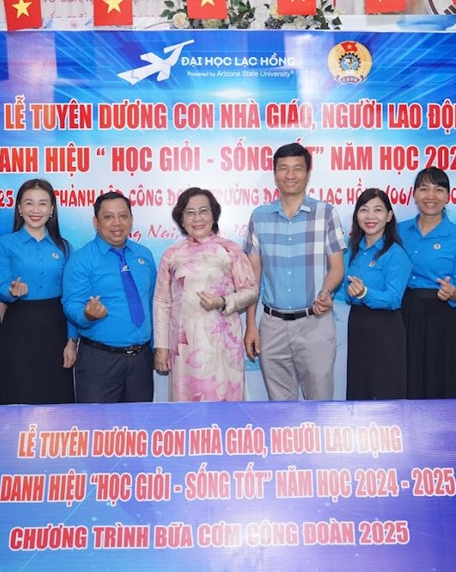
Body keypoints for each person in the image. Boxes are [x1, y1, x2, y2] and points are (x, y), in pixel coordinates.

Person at [243, 142, 346, 401]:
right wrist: (251, 326)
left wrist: (326, 292)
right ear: (274, 173)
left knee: (320, 404)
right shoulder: (259, 216)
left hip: (315, 322)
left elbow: (337, 267)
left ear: (308, 173)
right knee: (279, 409)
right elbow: (251, 279)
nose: (290, 175)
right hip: (272, 326)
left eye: (297, 168)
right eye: (283, 168)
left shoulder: (326, 213)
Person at [153, 188, 258, 401]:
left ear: (213, 215)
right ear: (181, 219)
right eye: (190, 213)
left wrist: (223, 301)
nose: (197, 218)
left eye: (203, 211)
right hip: (183, 345)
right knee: (186, 408)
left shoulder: (230, 249)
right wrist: (161, 346)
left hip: (222, 343)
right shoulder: (171, 255)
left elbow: (251, 291)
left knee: (224, 406)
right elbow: (162, 301)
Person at [62, 192, 157, 403]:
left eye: (123, 216)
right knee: (97, 423)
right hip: (99, 361)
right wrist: (87, 314)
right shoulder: (81, 259)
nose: (117, 223)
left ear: (131, 219)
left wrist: (155, 348)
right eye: (108, 217)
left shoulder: (144, 255)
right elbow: (71, 304)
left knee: (140, 422)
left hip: (141, 361)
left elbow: (151, 303)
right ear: (96, 222)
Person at [0, 178, 76, 404]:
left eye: (42, 203)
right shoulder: (5, 244)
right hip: (19, 328)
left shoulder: (64, 247)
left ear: (52, 209)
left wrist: (71, 341)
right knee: (19, 394)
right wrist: (12, 290)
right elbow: (2, 288)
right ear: (20, 208)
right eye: (29, 203)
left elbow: (71, 298)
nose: (35, 210)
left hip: (55, 327)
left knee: (56, 397)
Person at [398, 167, 456, 399]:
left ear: (448, 196)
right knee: (405, 380)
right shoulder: (398, 231)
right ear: (414, 194)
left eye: (438, 189)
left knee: (442, 383)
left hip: (442, 317)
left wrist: (453, 293)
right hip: (403, 315)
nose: (430, 196)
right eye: (424, 189)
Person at [341, 189, 412, 400]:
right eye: (364, 210)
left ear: (389, 216)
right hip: (358, 326)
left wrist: (365, 293)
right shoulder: (354, 250)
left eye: (378, 210)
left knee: (385, 392)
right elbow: (347, 293)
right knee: (359, 391)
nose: (370, 216)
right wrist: (352, 293)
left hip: (385, 329)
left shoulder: (396, 254)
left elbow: (394, 299)